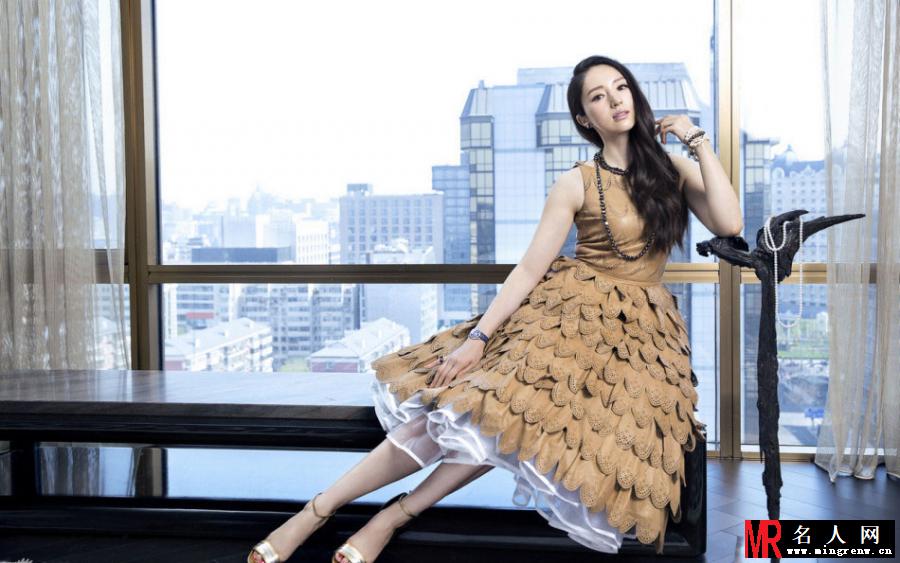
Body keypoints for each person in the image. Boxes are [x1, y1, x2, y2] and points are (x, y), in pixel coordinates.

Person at [248, 54, 742, 563]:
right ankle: (316, 510)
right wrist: (477, 340)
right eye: (599, 96)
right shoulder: (576, 182)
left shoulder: (671, 170)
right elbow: (528, 269)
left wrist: (696, 140)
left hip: (640, 337)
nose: (616, 100)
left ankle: (391, 517)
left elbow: (729, 222)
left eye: (621, 87)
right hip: (568, 319)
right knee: (478, 408)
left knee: (508, 427)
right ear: (584, 118)